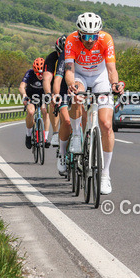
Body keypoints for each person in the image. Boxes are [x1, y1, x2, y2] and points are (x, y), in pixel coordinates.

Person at [63, 12, 121, 194]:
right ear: (79, 33)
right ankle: (77, 135)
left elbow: (111, 69)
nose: (89, 40)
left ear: (98, 34)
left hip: (100, 77)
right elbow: (69, 70)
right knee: (77, 96)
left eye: (93, 36)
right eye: (86, 36)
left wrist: (114, 84)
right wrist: (72, 85)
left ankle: (105, 174)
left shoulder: (106, 39)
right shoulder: (71, 40)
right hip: (80, 75)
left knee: (106, 125)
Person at [47, 34, 86, 175]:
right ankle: (62, 155)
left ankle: (86, 146)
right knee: (67, 121)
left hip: (81, 88)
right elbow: (57, 78)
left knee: (85, 116)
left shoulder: (87, 53)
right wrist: (55, 94)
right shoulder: (65, 56)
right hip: (64, 90)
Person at [19, 57, 48, 149]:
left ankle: (45, 138)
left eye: (42, 73)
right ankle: (28, 135)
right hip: (31, 96)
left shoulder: (48, 74)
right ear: (34, 71)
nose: (40, 75)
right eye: (38, 73)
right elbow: (22, 86)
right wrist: (24, 95)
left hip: (43, 96)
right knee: (31, 112)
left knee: (45, 111)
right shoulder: (30, 73)